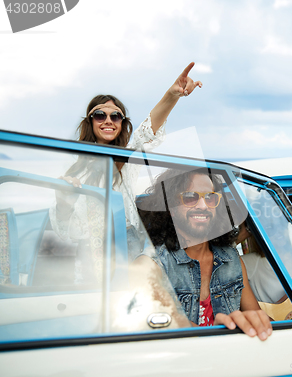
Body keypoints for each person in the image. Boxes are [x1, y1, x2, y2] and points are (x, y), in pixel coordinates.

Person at [50, 63, 202, 283]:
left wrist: (172, 95)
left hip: (127, 244)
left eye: (116, 116)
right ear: (90, 121)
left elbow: (148, 130)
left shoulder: (127, 160)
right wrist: (63, 200)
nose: (108, 120)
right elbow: (66, 231)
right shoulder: (74, 167)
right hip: (90, 252)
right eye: (100, 115)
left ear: (122, 123)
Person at [134, 169, 272, 340]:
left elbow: (256, 317)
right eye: (190, 197)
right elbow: (156, 323)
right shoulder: (151, 266)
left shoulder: (231, 260)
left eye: (210, 198)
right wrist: (213, 334)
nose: (203, 205)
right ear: (171, 208)